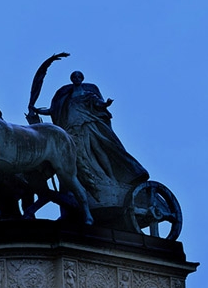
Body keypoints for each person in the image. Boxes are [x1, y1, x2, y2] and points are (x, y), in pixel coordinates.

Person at [34, 71, 148, 204]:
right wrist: (36, 110)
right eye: (74, 77)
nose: (76, 79)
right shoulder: (66, 98)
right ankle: (87, 182)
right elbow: (51, 110)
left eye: (78, 77)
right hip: (72, 129)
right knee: (78, 157)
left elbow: (98, 103)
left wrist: (106, 104)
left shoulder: (88, 94)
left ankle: (110, 178)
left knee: (98, 151)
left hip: (87, 125)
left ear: (82, 79)